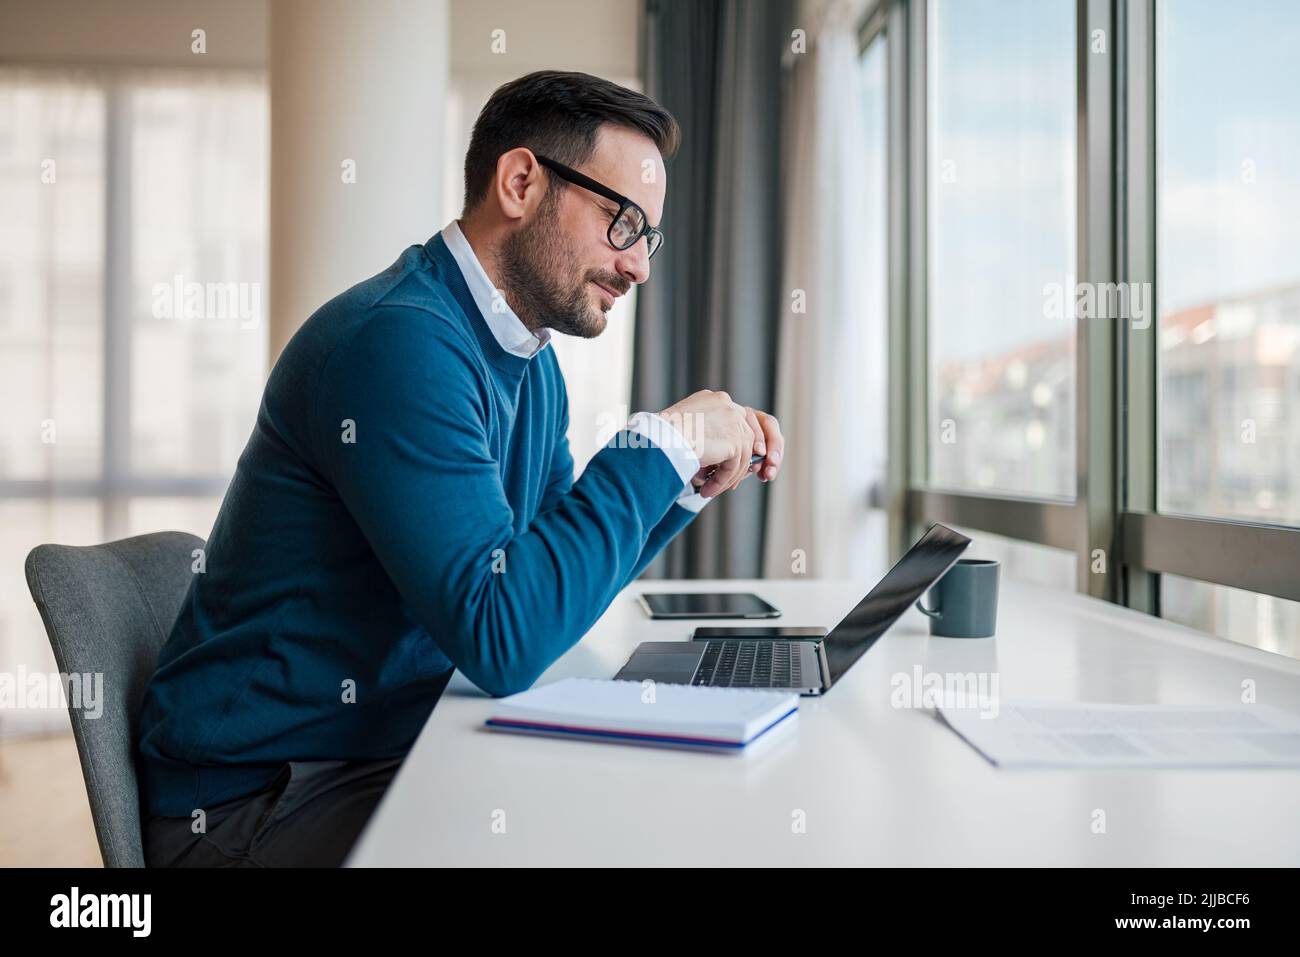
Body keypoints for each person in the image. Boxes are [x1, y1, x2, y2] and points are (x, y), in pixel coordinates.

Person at [136, 70, 785, 867]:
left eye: (647, 237)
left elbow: (545, 591)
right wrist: (659, 444)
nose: (638, 266)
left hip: (380, 747)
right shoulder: (398, 343)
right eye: (622, 222)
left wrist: (678, 483)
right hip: (257, 798)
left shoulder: (531, 364)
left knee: (639, 808)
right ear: (520, 182)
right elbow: (503, 639)